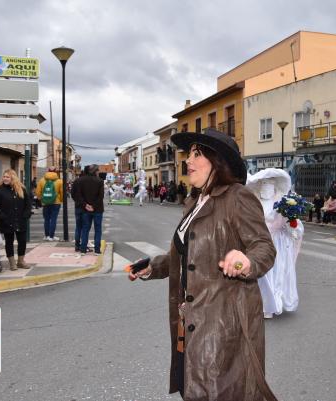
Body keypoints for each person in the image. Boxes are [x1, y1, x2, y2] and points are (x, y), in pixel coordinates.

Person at [129, 129, 278, 400]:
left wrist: (246, 262)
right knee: (196, 388)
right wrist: (155, 267)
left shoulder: (237, 197)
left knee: (220, 390)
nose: (188, 160)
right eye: (189, 154)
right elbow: (186, 255)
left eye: (197, 154)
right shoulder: (194, 202)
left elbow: (264, 247)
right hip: (193, 319)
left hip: (223, 323)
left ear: (217, 161)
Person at [247, 168, 302, 319]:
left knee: (274, 274)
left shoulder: (281, 203)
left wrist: (292, 225)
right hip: (257, 242)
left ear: (274, 187)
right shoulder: (254, 202)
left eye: (269, 185)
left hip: (276, 243)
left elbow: (294, 224)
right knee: (261, 275)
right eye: (263, 185)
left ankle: (272, 305)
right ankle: (260, 304)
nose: (266, 188)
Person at [0, 169, 32, 271]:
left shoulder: (21, 189)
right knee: (9, 242)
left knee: (22, 241)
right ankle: (12, 263)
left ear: (13, 178)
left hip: (20, 220)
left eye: (7, 177)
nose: (5, 178)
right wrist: (3, 217)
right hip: (6, 221)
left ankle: (21, 261)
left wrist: (26, 215)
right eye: (4, 176)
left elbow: (28, 204)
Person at [76, 164, 104, 255]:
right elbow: (101, 197)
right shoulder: (100, 181)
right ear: (96, 171)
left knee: (85, 229)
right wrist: (93, 206)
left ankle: (83, 249)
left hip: (85, 209)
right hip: (98, 209)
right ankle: (97, 250)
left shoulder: (81, 180)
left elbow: (79, 196)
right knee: (98, 229)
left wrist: (86, 205)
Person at [35, 167, 63, 241]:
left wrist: (41, 199)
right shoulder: (59, 181)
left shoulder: (41, 180)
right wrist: (61, 200)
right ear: (56, 172)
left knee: (46, 219)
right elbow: (62, 192)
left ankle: (46, 236)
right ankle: (51, 236)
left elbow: (38, 192)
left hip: (45, 202)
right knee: (53, 219)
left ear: (48, 171)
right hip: (56, 202)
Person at [71, 169, 85, 252]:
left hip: (78, 206)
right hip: (85, 207)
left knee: (78, 226)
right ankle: (83, 244)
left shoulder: (76, 181)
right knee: (85, 227)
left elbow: (72, 194)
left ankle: (77, 245)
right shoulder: (86, 182)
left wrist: (77, 200)